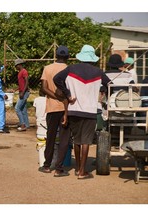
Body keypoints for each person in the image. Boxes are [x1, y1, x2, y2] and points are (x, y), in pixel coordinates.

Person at [54, 44, 111, 179]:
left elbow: (57, 79)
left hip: (73, 110)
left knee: (77, 140)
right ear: (92, 58)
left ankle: (77, 169)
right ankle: (82, 171)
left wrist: (67, 93)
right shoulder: (98, 72)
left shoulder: (71, 68)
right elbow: (110, 84)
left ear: (81, 56)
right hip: (90, 111)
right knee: (85, 141)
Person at [38, 45, 71, 177]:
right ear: (68, 56)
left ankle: (47, 165)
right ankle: (59, 168)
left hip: (51, 107)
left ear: (56, 56)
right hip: (65, 108)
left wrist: (54, 97)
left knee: (50, 136)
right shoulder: (69, 70)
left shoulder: (47, 68)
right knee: (64, 138)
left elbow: (44, 88)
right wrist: (61, 98)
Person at [14, 59, 30, 132]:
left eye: (16, 66)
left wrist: (23, 92)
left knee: (17, 108)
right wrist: (16, 89)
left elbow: (26, 82)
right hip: (22, 91)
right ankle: (26, 124)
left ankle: (22, 124)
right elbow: (22, 84)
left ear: (19, 65)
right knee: (23, 109)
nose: (15, 67)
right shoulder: (20, 72)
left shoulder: (24, 71)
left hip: (24, 92)